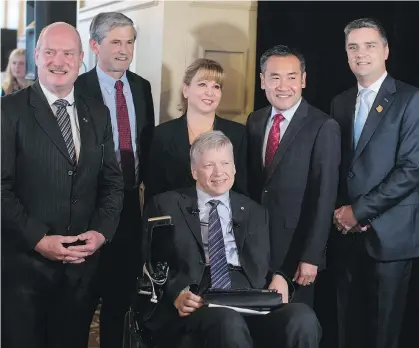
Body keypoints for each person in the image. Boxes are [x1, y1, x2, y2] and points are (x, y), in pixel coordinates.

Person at [1, 22, 124, 348]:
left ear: (81, 57)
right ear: (37, 57)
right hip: (24, 270)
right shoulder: (8, 111)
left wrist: (100, 233)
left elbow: (112, 182)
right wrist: (38, 239)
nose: (59, 61)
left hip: (80, 272)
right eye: (50, 52)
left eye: (68, 53)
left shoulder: (98, 113)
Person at [144, 130, 321, 348]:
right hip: (199, 297)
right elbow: (150, 263)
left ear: (235, 168)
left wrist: (280, 277)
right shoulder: (165, 205)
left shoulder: (256, 212)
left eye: (225, 163)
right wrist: (176, 293)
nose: (219, 172)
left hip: (250, 296)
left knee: (302, 317)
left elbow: (273, 260)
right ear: (193, 171)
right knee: (227, 320)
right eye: (209, 165)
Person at [330, 18, 419, 348]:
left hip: (390, 237)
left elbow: (411, 170)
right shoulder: (339, 102)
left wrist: (360, 211)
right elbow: (340, 168)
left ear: (385, 50)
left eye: (369, 45)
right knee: (346, 329)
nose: (361, 54)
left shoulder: (411, 100)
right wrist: (343, 215)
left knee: (383, 335)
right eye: (353, 47)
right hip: (345, 235)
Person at [75, 12, 155, 348]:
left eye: (130, 41)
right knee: (81, 301)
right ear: (95, 45)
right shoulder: (77, 88)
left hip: (130, 208)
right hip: (86, 210)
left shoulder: (141, 86)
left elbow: (146, 145)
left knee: (120, 300)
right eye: (116, 42)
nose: (124, 49)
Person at [246, 45, 341, 307]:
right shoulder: (255, 120)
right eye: (275, 77)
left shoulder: (323, 126)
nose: (283, 85)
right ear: (263, 80)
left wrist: (312, 256)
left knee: (294, 329)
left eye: (291, 77)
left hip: (296, 252)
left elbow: (324, 197)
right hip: (256, 249)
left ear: (303, 80)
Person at [144, 58, 247, 204]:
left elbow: (243, 191)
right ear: (186, 90)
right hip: (175, 221)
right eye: (202, 84)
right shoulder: (162, 135)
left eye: (216, 86)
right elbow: (154, 193)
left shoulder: (238, 134)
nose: (210, 92)